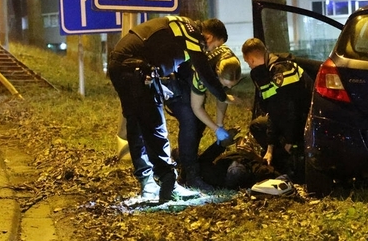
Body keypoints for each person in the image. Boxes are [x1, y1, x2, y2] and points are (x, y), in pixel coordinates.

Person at [108, 16, 233, 204]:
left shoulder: (182, 27)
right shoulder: (193, 35)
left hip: (129, 67)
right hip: (135, 69)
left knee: (138, 126)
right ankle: (168, 182)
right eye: (215, 46)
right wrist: (223, 95)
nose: (211, 50)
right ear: (208, 37)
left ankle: (148, 182)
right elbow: (204, 72)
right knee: (154, 125)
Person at [165, 45, 242, 189]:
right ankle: (190, 175)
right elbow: (196, 107)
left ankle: (186, 159)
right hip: (177, 79)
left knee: (199, 124)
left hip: (193, 76)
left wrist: (219, 124)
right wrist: (215, 130)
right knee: (190, 121)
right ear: (217, 73)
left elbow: (222, 96)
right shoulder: (203, 73)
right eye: (224, 83)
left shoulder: (230, 64)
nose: (227, 86)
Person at [241, 38, 311, 180]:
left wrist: (289, 140)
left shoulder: (281, 71)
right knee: (258, 125)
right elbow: (274, 110)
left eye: (248, 63)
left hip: (304, 120)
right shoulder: (269, 70)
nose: (250, 66)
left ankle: (292, 164)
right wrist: (270, 146)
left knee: (272, 130)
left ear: (251, 59)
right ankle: (281, 162)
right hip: (293, 118)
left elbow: (291, 111)